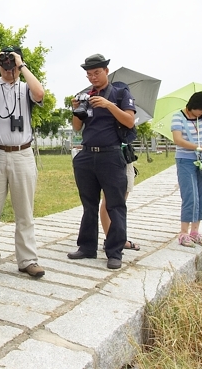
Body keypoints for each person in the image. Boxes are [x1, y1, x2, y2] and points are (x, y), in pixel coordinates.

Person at [0, 46, 46, 279]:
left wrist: (22, 65)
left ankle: (27, 259)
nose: (8, 67)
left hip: (22, 154)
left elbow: (40, 93)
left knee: (25, 210)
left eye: (10, 62)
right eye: (5, 63)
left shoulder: (25, 88)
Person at [67, 54, 136, 270]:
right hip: (87, 154)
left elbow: (129, 120)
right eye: (89, 74)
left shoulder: (120, 92)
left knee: (115, 205)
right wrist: (76, 108)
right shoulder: (86, 95)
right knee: (89, 204)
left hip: (111, 154)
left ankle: (114, 251)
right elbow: (77, 127)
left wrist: (108, 105)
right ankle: (87, 246)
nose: (93, 77)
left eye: (96, 72)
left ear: (106, 70)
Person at [171, 91, 202, 247]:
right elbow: (178, 140)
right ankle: (183, 233)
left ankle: (195, 232)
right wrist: (199, 146)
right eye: (201, 109)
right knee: (191, 195)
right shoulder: (178, 117)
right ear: (193, 106)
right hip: (185, 159)